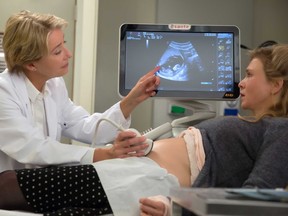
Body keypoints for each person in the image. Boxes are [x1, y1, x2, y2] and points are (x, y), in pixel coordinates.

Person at [1, 45, 288, 216]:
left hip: (142, 180)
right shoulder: (260, 126)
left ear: (276, 85)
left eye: (250, 75)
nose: (241, 82)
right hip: (136, 173)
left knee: (10, 187)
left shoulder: (282, 130)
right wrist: (148, 145)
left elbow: (253, 199)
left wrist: (175, 207)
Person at [0, 10, 160, 172]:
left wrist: (131, 100)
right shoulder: (3, 91)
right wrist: (103, 154)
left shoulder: (54, 85)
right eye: (57, 51)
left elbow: (86, 127)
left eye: (64, 43)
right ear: (31, 65)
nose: (68, 54)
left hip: (41, 182)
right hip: (9, 188)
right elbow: (33, 148)